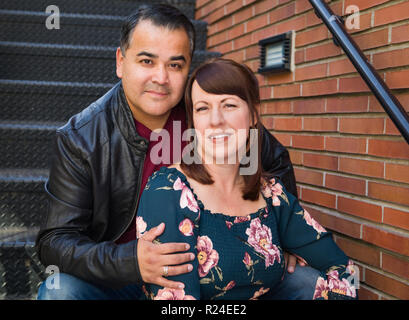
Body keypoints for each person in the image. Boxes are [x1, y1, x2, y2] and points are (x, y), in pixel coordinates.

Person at [36, 4, 314, 300]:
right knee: (60, 291)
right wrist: (131, 261)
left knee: (309, 285)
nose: (161, 78)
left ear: (188, 68)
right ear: (121, 61)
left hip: (220, 272)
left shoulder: (205, 110)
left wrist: (282, 237)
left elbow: (274, 158)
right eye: (147, 61)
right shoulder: (82, 138)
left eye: (175, 65)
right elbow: (55, 242)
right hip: (126, 281)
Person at [136, 58, 358, 300]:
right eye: (202, 108)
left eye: (229, 105)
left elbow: (346, 270)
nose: (215, 120)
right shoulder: (168, 190)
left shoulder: (270, 193)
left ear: (254, 114)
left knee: (307, 281)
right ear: (193, 123)